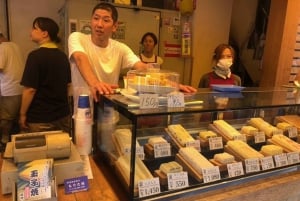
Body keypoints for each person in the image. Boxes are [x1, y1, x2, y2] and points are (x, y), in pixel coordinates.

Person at [19, 17, 71, 133]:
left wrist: (22, 114)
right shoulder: (63, 56)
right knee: (61, 149)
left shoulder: (34, 56)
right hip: (62, 116)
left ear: (44, 34)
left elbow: (30, 90)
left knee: (42, 150)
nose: (31, 31)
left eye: (34, 28)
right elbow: (68, 86)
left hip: (40, 119)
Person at [0, 32, 25, 148]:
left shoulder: (2, 47)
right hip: (20, 90)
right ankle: (15, 143)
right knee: (15, 119)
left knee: (6, 119)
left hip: (9, 91)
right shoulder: (15, 46)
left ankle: (4, 143)